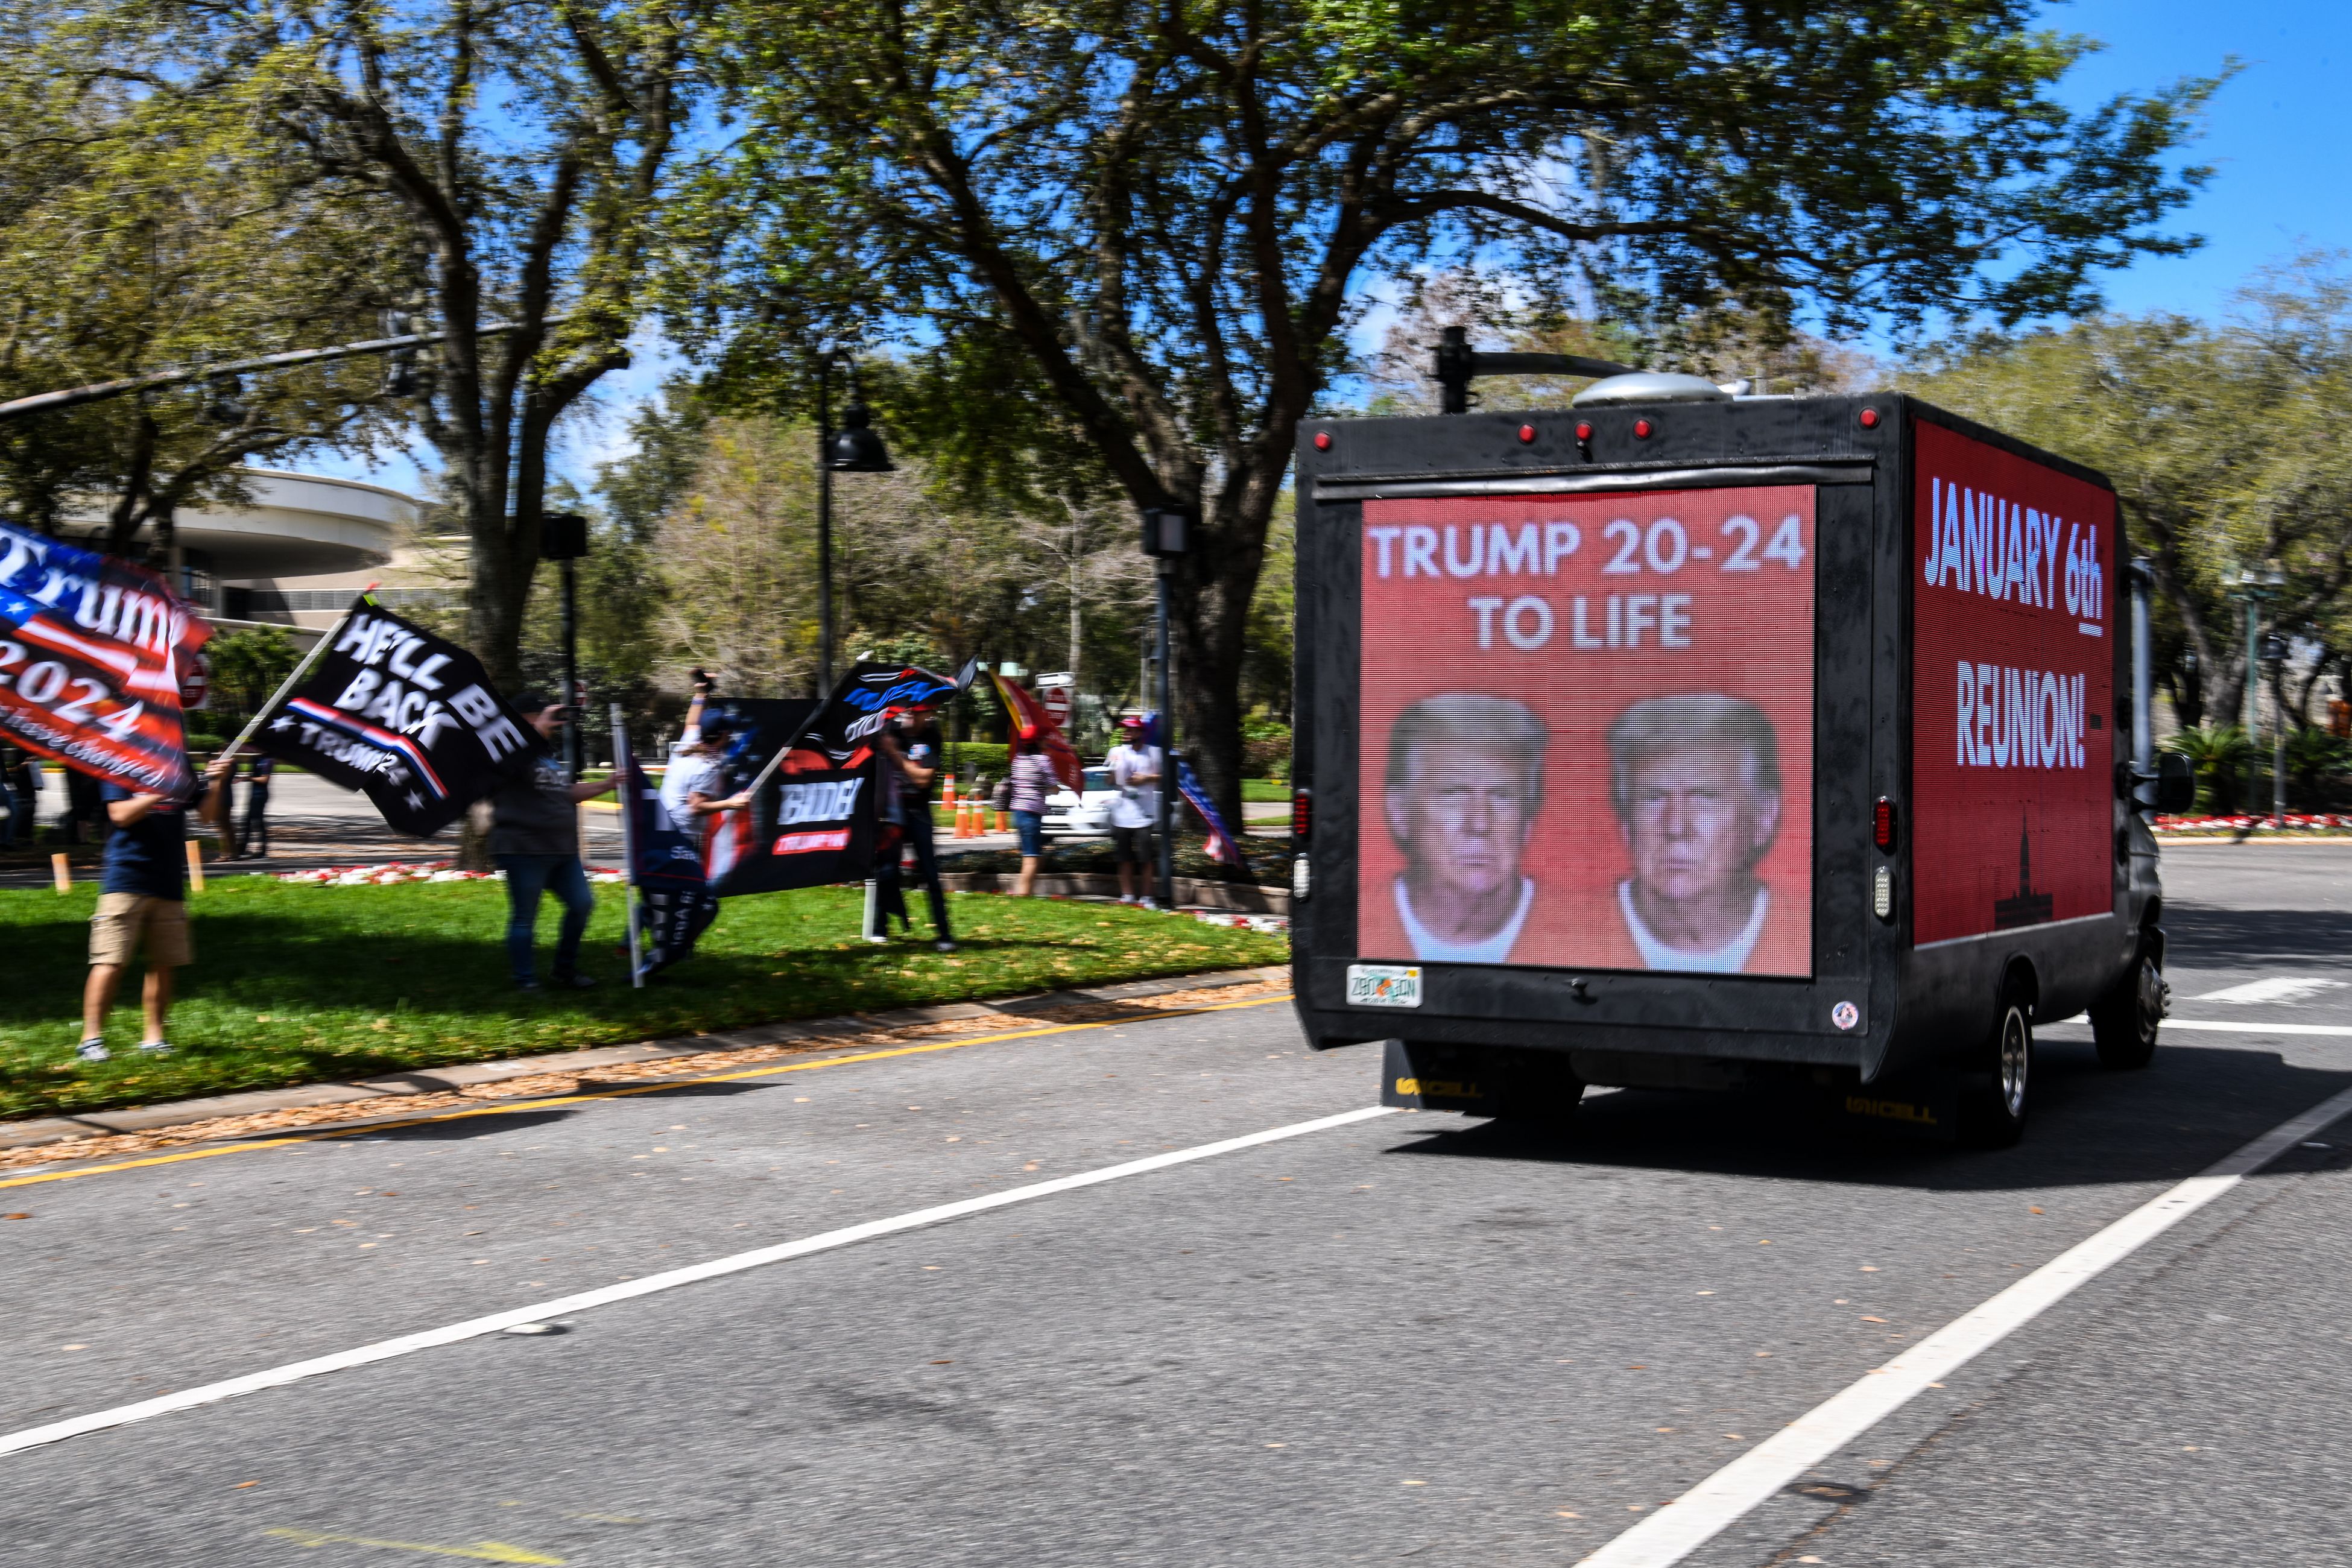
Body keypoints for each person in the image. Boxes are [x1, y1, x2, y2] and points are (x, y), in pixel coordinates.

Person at [1595, 694, 1804, 974]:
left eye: (1704, 797)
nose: (1676, 827)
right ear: (1626, 821)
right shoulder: (1566, 932)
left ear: (1763, 817)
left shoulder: (1805, 936)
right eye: (1653, 797)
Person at [1369, 692, 1549, 963]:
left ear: (1527, 819)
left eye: (1502, 796)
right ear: (1400, 812)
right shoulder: (1356, 921)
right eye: (1453, 794)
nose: (1480, 824)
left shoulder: (1584, 929)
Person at [79, 754, 236, 1062]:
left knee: (164, 963)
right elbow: (120, 815)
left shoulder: (179, 766)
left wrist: (217, 782)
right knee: (110, 960)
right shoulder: (120, 761)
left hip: (168, 880)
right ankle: (91, 1040)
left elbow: (207, 816)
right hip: (126, 877)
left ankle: (154, 1038)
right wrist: (160, 791)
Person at [487, 693, 619, 990]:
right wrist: (540, 728)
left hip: (562, 850)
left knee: (582, 905)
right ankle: (526, 981)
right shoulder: (506, 749)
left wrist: (608, 784)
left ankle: (564, 970)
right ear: (523, 719)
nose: (550, 721)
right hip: (524, 849)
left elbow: (565, 793)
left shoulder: (545, 754)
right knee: (525, 916)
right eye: (539, 715)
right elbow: (507, 766)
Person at [870, 697, 955, 951]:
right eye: (908, 710)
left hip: (918, 812)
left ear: (928, 713)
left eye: (916, 712)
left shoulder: (931, 737)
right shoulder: (890, 731)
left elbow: (923, 780)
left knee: (929, 872)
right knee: (886, 872)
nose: (910, 714)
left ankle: (944, 935)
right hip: (892, 813)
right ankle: (879, 929)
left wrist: (894, 754)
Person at [659, 673, 751, 838]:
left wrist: (701, 692)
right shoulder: (707, 767)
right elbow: (696, 806)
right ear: (723, 735)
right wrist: (731, 803)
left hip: (662, 823)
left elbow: (692, 723)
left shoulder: (689, 742)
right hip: (681, 833)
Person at [1105, 716, 1162, 906]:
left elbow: (1164, 777)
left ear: (1140, 733)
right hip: (1122, 814)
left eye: (1130, 730)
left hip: (1144, 815)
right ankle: (1127, 895)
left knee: (1146, 858)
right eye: (1125, 730)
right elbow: (1109, 781)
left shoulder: (1154, 752)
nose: (1126, 733)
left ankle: (1147, 898)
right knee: (1124, 858)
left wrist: (1146, 779)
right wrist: (1112, 771)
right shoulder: (1116, 751)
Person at [1007, 732, 1057, 896]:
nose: (1046, 741)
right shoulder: (1043, 760)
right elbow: (1054, 787)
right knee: (1031, 859)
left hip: (1018, 812)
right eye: (1044, 739)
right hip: (1031, 813)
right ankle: (1023, 895)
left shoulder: (1018, 760)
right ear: (1038, 742)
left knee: (1034, 854)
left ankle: (1026, 891)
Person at [235, 751, 276, 859]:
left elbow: (265, 779)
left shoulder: (268, 760)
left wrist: (249, 778)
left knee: (258, 822)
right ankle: (242, 849)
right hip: (254, 794)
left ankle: (262, 849)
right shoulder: (256, 759)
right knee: (247, 822)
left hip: (261, 795)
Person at [0, 744, 36, 850]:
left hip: (3, 784)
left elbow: (3, 769)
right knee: (15, 810)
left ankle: (6, 841)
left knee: (16, 810)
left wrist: (9, 782)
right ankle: (6, 841)